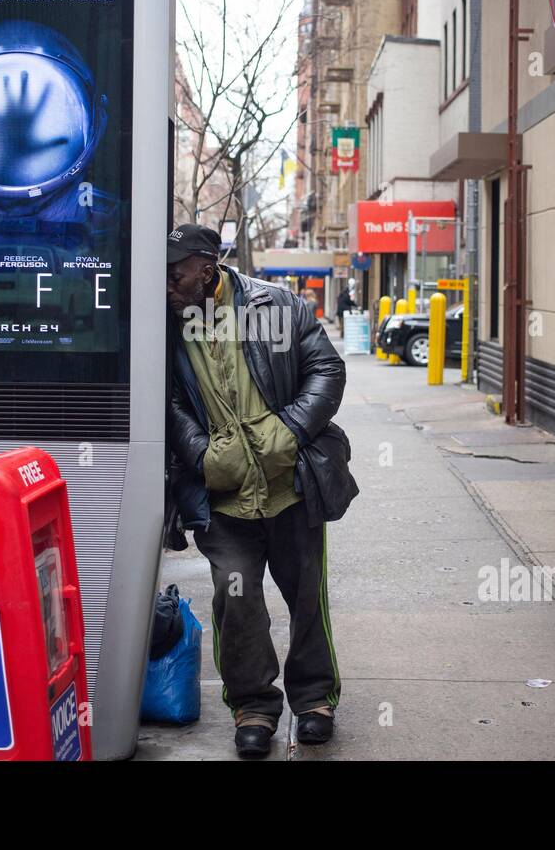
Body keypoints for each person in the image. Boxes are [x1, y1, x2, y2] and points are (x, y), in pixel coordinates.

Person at [166, 223, 359, 758]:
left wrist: (290, 429)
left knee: (306, 596)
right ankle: (253, 705)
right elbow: (166, 400)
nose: (166, 286)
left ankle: (314, 699)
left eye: (175, 275)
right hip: (222, 495)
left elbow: (327, 369)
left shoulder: (275, 305)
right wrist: (201, 453)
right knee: (236, 596)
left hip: (291, 484)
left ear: (206, 271)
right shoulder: (165, 321)